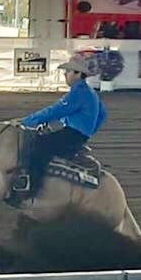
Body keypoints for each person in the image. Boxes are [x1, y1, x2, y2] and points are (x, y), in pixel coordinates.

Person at [11, 56, 107, 198]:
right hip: (78, 134)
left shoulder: (77, 93)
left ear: (78, 74)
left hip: (73, 133)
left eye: (68, 71)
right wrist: (88, 131)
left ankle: (31, 187)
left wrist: (26, 122)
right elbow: (102, 115)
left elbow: (54, 111)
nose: (64, 74)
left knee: (39, 145)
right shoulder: (90, 92)